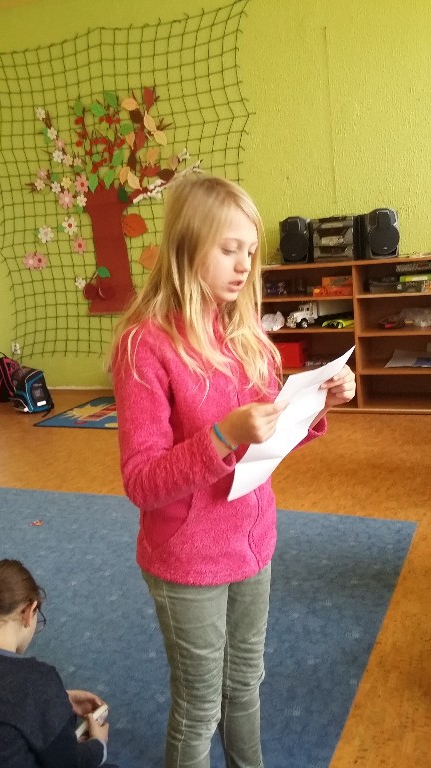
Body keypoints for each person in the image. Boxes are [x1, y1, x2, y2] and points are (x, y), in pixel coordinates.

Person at [111, 171, 356, 768]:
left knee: (245, 684)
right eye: (228, 249)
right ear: (186, 247)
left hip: (252, 542)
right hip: (187, 558)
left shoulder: (247, 337)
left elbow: (268, 438)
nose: (245, 264)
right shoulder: (146, 347)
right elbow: (142, 482)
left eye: (250, 250)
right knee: (199, 707)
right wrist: (222, 436)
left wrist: (318, 403)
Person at [0, 558, 117, 768]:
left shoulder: (37, 690)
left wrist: (58, 701)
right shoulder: (37, 681)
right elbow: (68, 762)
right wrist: (98, 745)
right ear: (28, 612)